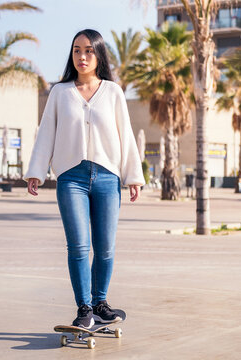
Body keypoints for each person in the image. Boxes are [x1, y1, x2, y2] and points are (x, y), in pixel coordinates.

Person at [24, 29, 145, 329]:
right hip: (71, 179)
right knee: (78, 246)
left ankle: (100, 303)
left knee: (105, 248)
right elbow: (46, 133)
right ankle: (84, 309)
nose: (82, 56)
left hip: (107, 177)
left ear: (99, 54)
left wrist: (133, 176)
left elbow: (125, 135)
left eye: (89, 50)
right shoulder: (59, 92)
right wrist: (36, 172)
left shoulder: (113, 92)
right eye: (77, 50)